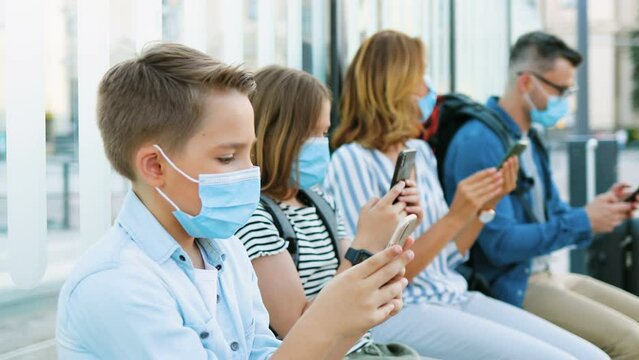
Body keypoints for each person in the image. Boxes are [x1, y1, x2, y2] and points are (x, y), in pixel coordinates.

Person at [55, 43, 413, 359]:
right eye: (228, 157)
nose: (250, 172)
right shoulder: (117, 285)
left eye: (250, 153)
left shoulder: (225, 249)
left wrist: (350, 320)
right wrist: (329, 320)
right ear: (155, 166)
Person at [325, 30, 608, 360]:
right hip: (402, 308)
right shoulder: (353, 160)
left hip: (451, 293)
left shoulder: (418, 152)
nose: (430, 87)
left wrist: (485, 205)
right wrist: (457, 214)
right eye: (421, 76)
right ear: (395, 84)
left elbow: (451, 254)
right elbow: (378, 279)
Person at [441, 31, 639, 360]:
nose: (566, 100)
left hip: (543, 273)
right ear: (526, 83)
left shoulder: (529, 137)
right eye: (560, 90)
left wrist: (596, 212)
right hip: (509, 284)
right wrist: (582, 221)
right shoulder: (481, 142)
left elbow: (556, 213)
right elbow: (499, 245)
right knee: (631, 341)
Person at [235, 65, 430, 359]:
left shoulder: (319, 200)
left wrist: (392, 236)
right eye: (310, 133)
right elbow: (298, 326)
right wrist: (365, 244)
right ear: (273, 135)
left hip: (365, 347)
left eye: (324, 132)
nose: (321, 144)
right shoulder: (255, 218)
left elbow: (360, 285)